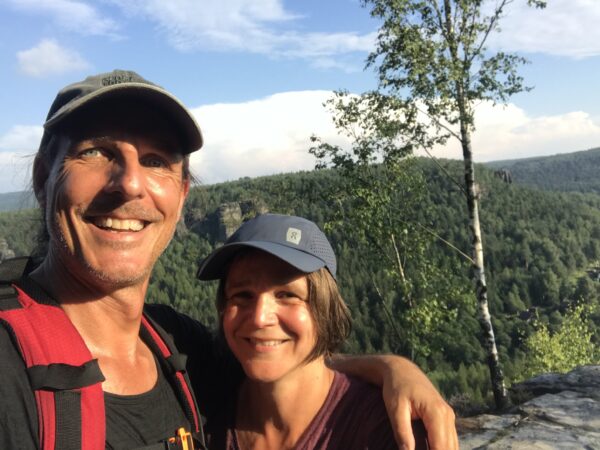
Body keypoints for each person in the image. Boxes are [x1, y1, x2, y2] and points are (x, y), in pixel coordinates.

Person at [0, 69, 457, 450]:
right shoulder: (10, 370)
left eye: (156, 160)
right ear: (43, 177)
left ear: (181, 195)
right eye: (95, 152)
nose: (130, 184)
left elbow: (285, 362)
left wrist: (393, 369)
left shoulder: (180, 349)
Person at [197, 213, 429, 449]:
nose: (259, 318)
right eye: (243, 295)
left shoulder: (385, 431)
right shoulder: (201, 413)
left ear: (326, 308)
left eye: (287, 295)